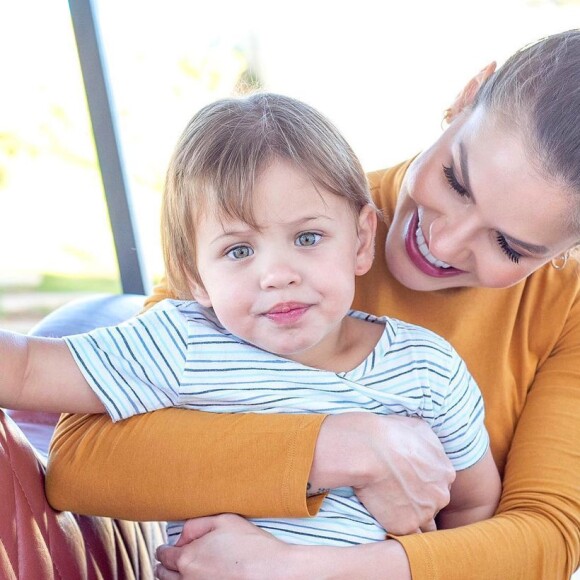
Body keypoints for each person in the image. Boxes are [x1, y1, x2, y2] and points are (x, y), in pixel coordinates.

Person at [45, 29, 580, 579]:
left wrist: (298, 569)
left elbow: (547, 535)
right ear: (468, 97)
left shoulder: (566, 311)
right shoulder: (275, 222)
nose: (442, 244)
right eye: (455, 181)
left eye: (508, 246)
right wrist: (340, 447)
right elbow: (83, 461)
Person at [0, 93, 500, 548]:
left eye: (307, 238)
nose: (277, 275)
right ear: (195, 277)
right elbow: (25, 370)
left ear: (361, 239)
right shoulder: (183, 343)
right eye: (239, 250)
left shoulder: (428, 370)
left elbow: (475, 507)